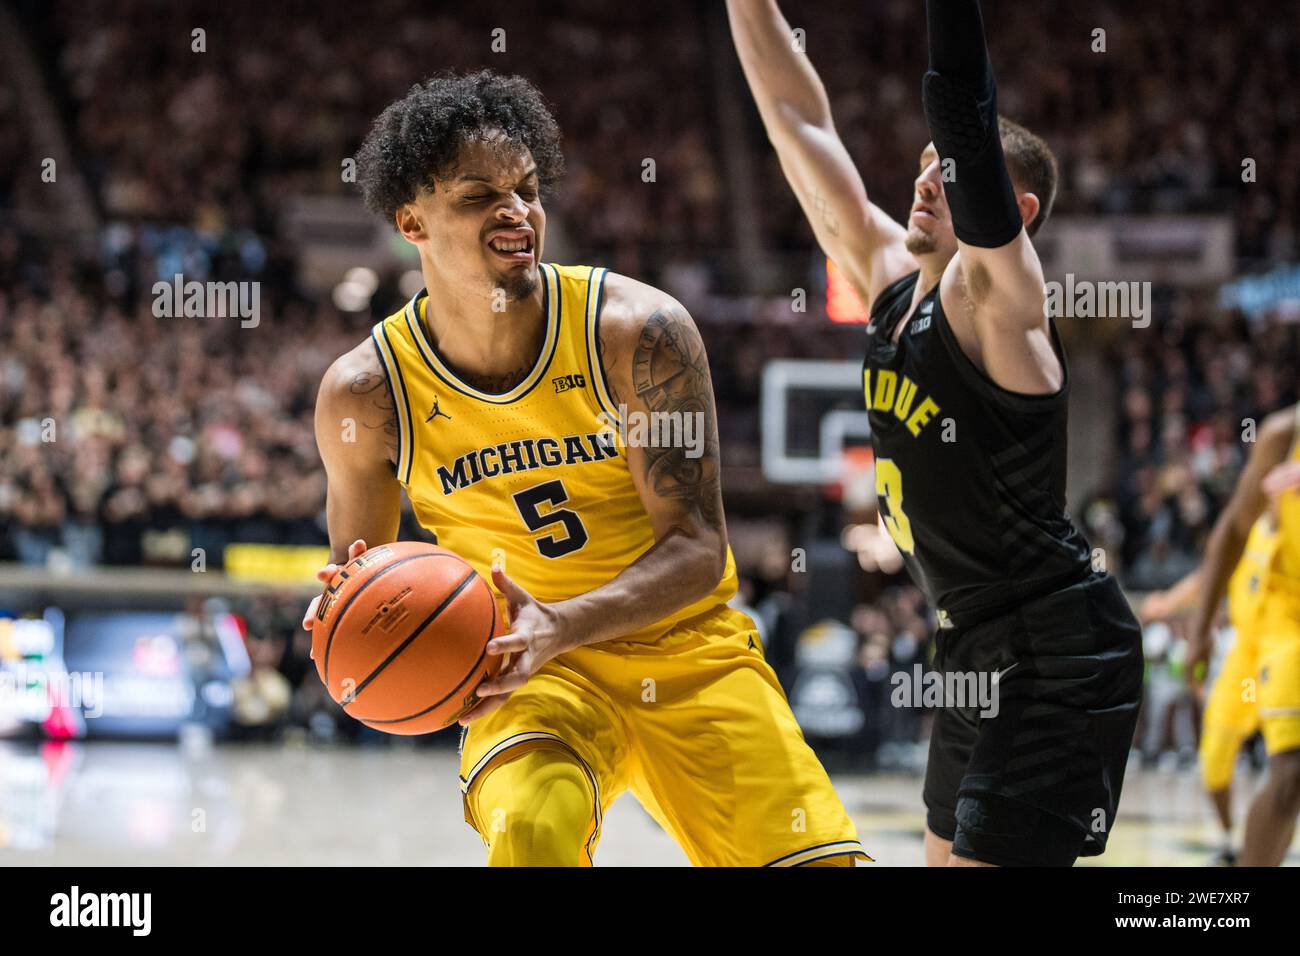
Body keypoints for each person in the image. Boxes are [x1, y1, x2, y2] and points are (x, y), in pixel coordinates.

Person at [302, 70, 867, 867]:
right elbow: (357, 578)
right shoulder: (366, 394)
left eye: (527, 189)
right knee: (534, 834)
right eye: (477, 196)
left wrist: (560, 623)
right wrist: (346, 626)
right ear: (410, 221)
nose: (516, 212)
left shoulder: (639, 335)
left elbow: (699, 548)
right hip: (521, 675)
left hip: (688, 651)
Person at [728, 0, 1143, 865]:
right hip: (969, 642)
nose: (924, 180)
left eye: (945, 171)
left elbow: (962, 107)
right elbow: (797, 121)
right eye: (919, 167)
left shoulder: (994, 299)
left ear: (1013, 211)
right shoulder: (889, 282)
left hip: (1054, 643)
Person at [1188, 403, 1300, 865]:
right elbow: (1231, 531)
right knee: (1288, 767)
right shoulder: (1282, 435)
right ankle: (1234, 844)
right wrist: (1200, 629)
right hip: (1283, 620)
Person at [1140, 513, 1278, 864]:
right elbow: (1205, 578)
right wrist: (1169, 603)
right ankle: (1232, 838)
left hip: (1284, 653)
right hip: (1248, 663)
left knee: (1286, 763)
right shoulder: (1248, 534)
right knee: (1214, 757)